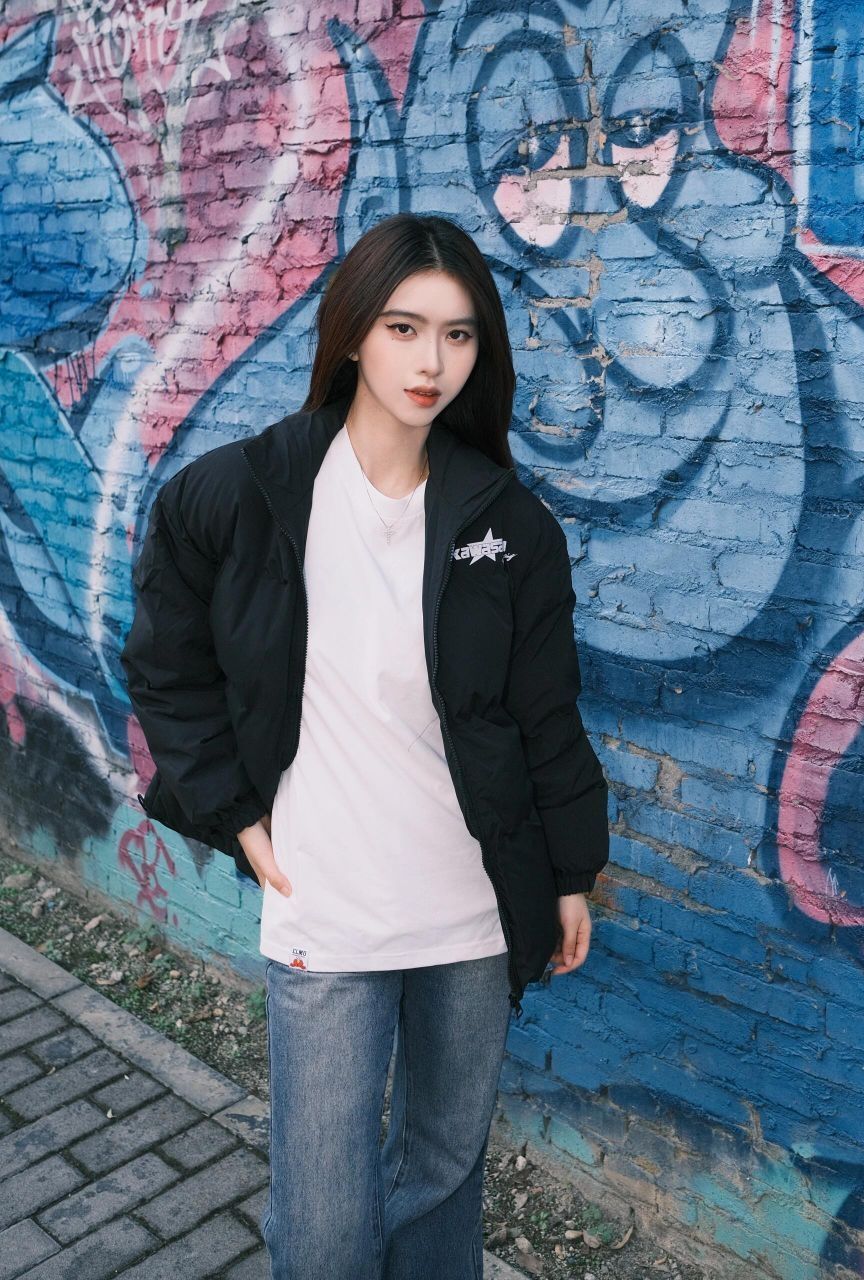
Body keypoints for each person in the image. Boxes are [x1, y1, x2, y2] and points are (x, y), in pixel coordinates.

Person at [120, 212, 609, 1279]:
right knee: (326, 1220)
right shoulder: (242, 494)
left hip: (470, 906)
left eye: (458, 334)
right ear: (351, 334)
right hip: (328, 904)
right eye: (403, 327)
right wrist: (238, 815)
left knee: (441, 1178)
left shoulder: (508, 523)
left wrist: (570, 871)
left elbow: (545, 710)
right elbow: (165, 665)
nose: (432, 361)